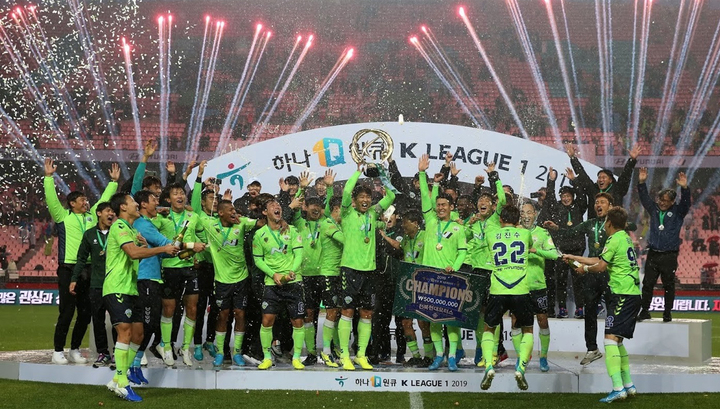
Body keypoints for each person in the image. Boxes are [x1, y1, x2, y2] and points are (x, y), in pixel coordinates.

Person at [103, 192, 178, 402]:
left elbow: (137, 253)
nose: (136, 204)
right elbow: (133, 254)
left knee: (138, 332)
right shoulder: (119, 226)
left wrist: (145, 247)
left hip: (130, 288)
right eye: (132, 202)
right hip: (117, 287)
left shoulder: (130, 230)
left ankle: (116, 380)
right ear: (123, 207)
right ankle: (122, 382)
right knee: (125, 332)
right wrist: (161, 248)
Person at [44, 158, 119, 365]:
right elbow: (51, 199)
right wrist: (48, 177)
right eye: (82, 200)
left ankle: (75, 349)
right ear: (72, 203)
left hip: (89, 269)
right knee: (67, 312)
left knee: (85, 313)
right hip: (68, 269)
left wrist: (113, 183)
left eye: (86, 200)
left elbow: (104, 200)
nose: (86, 202)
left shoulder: (91, 217)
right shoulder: (62, 217)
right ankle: (57, 351)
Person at [564, 207, 641, 403]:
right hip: (631, 293)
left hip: (623, 294)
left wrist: (584, 269)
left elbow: (599, 266)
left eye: (606, 221)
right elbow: (599, 259)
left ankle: (617, 388)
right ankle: (628, 385)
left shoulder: (613, 239)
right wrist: (575, 258)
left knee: (609, 340)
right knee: (618, 340)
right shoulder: (624, 238)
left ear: (609, 223)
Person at [337, 164, 395, 370]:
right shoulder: (347, 213)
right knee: (347, 311)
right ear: (354, 201)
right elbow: (346, 191)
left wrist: (383, 175)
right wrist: (358, 171)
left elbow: (391, 197)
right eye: (361, 197)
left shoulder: (373, 213)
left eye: (368, 197)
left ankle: (361, 355)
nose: (365, 200)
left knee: (367, 313)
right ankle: (345, 355)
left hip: (369, 271)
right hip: (350, 269)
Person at [417, 154, 467, 371]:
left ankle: (452, 356)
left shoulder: (458, 228)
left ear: (451, 207)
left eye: (444, 205)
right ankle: (439, 355)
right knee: (433, 319)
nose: (440, 208)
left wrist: (454, 267)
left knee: (451, 320)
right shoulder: (430, 221)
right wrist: (423, 174)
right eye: (438, 205)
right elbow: (424, 196)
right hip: (429, 277)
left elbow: (463, 253)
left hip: (449, 277)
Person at [480, 205, 534, 392]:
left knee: (489, 328)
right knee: (527, 329)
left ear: (501, 219)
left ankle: (488, 366)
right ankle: (521, 368)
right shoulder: (525, 234)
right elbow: (529, 245)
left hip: (498, 289)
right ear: (518, 220)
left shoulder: (491, 234)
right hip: (520, 289)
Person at [199, 199, 258, 367]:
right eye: (230, 210)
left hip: (241, 278)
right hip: (222, 281)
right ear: (220, 213)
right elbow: (195, 210)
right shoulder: (210, 225)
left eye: (234, 210)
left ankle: (237, 353)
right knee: (223, 315)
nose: (234, 212)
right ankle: (220, 352)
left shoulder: (242, 223)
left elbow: (260, 223)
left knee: (240, 314)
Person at [156, 180, 207, 366]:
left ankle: (185, 348)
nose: (180, 196)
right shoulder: (161, 217)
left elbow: (203, 237)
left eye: (182, 193)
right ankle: (166, 346)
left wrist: (198, 254)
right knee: (169, 309)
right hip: (169, 268)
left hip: (189, 268)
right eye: (175, 193)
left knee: (192, 309)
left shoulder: (193, 216)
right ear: (168, 199)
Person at [252, 199, 306, 370]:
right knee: (267, 320)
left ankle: (296, 357)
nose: (277, 208)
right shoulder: (259, 234)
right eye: (272, 206)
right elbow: (258, 260)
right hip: (271, 283)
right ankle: (267, 357)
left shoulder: (292, 230)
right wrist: (273, 274)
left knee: (297, 321)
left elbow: (299, 255)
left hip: (293, 282)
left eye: (279, 206)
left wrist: (291, 272)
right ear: (265, 212)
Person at [464, 163, 508, 367]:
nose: (482, 203)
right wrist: (467, 225)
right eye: (480, 201)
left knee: (493, 313)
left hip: (493, 271)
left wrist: (494, 177)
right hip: (476, 271)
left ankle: (495, 352)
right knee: (479, 313)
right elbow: (463, 240)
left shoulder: (496, 220)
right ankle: (482, 350)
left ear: (492, 207)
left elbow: (503, 199)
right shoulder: (473, 223)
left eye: (487, 201)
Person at [379, 209, 433, 367]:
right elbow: (398, 245)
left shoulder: (426, 236)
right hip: (408, 285)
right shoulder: (406, 240)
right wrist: (385, 237)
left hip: (423, 284)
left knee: (423, 323)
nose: (402, 226)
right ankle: (415, 355)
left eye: (405, 223)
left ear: (415, 223)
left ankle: (429, 356)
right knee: (405, 322)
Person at [636, 169, 690, 322]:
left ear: (672, 202)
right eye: (661, 199)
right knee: (647, 284)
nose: (662, 202)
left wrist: (685, 188)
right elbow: (644, 198)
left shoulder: (678, 212)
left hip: (669, 255)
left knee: (668, 285)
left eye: (666, 200)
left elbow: (686, 203)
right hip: (653, 253)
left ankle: (667, 312)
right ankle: (644, 311)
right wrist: (642, 183)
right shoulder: (654, 209)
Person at [70, 202, 116, 368]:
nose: (111, 214)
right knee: (97, 320)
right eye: (108, 211)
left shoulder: (118, 232)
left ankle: (118, 352)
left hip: (115, 283)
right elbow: (81, 258)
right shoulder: (89, 234)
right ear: (99, 213)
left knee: (118, 320)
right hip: (96, 283)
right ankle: (103, 353)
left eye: (113, 211)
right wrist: (74, 279)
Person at [519, 200, 559, 373]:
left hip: (537, 285)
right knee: (519, 322)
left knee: (542, 321)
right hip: (519, 285)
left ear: (535, 214)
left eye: (529, 212)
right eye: (523, 213)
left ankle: (543, 356)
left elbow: (554, 254)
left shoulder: (542, 233)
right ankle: (523, 357)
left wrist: (536, 251)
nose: (526, 216)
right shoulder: (515, 232)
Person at [545, 172, 587, 319]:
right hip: (561, 252)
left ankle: (580, 308)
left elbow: (583, 196)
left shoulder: (579, 207)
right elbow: (550, 197)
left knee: (578, 279)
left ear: (573, 197)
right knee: (560, 281)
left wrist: (574, 180)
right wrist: (551, 181)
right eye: (563, 196)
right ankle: (562, 308)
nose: (566, 198)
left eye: (568, 196)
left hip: (576, 252)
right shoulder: (557, 207)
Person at [566, 145, 639, 219]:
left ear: (610, 180)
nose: (601, 179)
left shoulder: (617, 189)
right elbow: (582, 175)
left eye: (604, 177)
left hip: (614, 223)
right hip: (594, 224)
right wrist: (573, 158)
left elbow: (625, 176)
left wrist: (632, 160)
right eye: (599, 177)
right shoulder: (593, 189)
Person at [317, 195, 345, 367]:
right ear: (336, 209)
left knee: (339, 312)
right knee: (332, 312)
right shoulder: (327, 224)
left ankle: (336, 348)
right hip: (328, 274)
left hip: (339, 273)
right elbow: (346, 240)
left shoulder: (339, 224)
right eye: (345, 209)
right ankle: (326, 351)